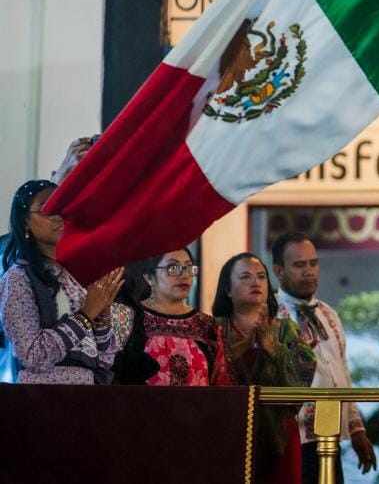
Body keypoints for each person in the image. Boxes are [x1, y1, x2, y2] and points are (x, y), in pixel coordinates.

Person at [271, 232, 376, 483]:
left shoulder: (329, 313)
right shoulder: (272, 315)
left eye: (313, 263)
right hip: (293, 440)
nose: (309, 271)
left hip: (332, 436)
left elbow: (342, 372)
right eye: (299, 265)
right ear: (278, 270)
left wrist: (356, 427)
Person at [0, 179, 128, 384]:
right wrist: (86, 315)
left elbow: (104, 360)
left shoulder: (77, 276)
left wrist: (102, 317)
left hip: (88, 395)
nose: (58, 216)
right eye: (46, 209)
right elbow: (33, 356)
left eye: (62, 208)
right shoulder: (18, 278)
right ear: (25, 221)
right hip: (43, 398)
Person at [213, 252, 316, 483]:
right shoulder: (214, 328)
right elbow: (207, 375)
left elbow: (305, 375)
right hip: (227, 436)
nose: (255, 282)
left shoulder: (285, 329)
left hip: (280, 434)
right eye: (245, 276)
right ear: (227, 289)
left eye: (261, 276)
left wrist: (273, 349)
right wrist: (243, 346)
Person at [114, 248, 231, 385]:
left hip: (197, 406)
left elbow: (223, 384)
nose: (184, 275)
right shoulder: (128, 318)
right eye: (173, 267)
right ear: (149, 277)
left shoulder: (207, 325)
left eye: (188, 267)